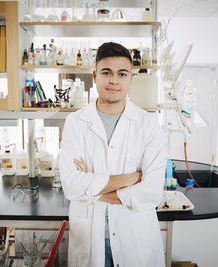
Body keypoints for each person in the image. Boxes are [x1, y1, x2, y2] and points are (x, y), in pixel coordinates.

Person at [59, 42, 167, 267]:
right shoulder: (75, 122)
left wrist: (92, 189)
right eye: (107, 72)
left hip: (134, 238)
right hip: (89, 238)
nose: (114, 80)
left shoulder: (148, 125)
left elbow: (152, 191)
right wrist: (129, 179)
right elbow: (70, 185)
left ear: (131, 79)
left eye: (122, 73)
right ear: (95, 75)